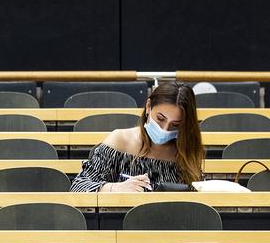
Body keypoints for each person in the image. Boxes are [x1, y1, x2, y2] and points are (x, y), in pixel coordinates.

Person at [70, 82, 204, 192]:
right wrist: (115, 188)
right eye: (160, 119)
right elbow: (79, 187)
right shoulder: (120, 141)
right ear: (148, 107)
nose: (165, 129)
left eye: (175, 125)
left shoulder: (185, 151)